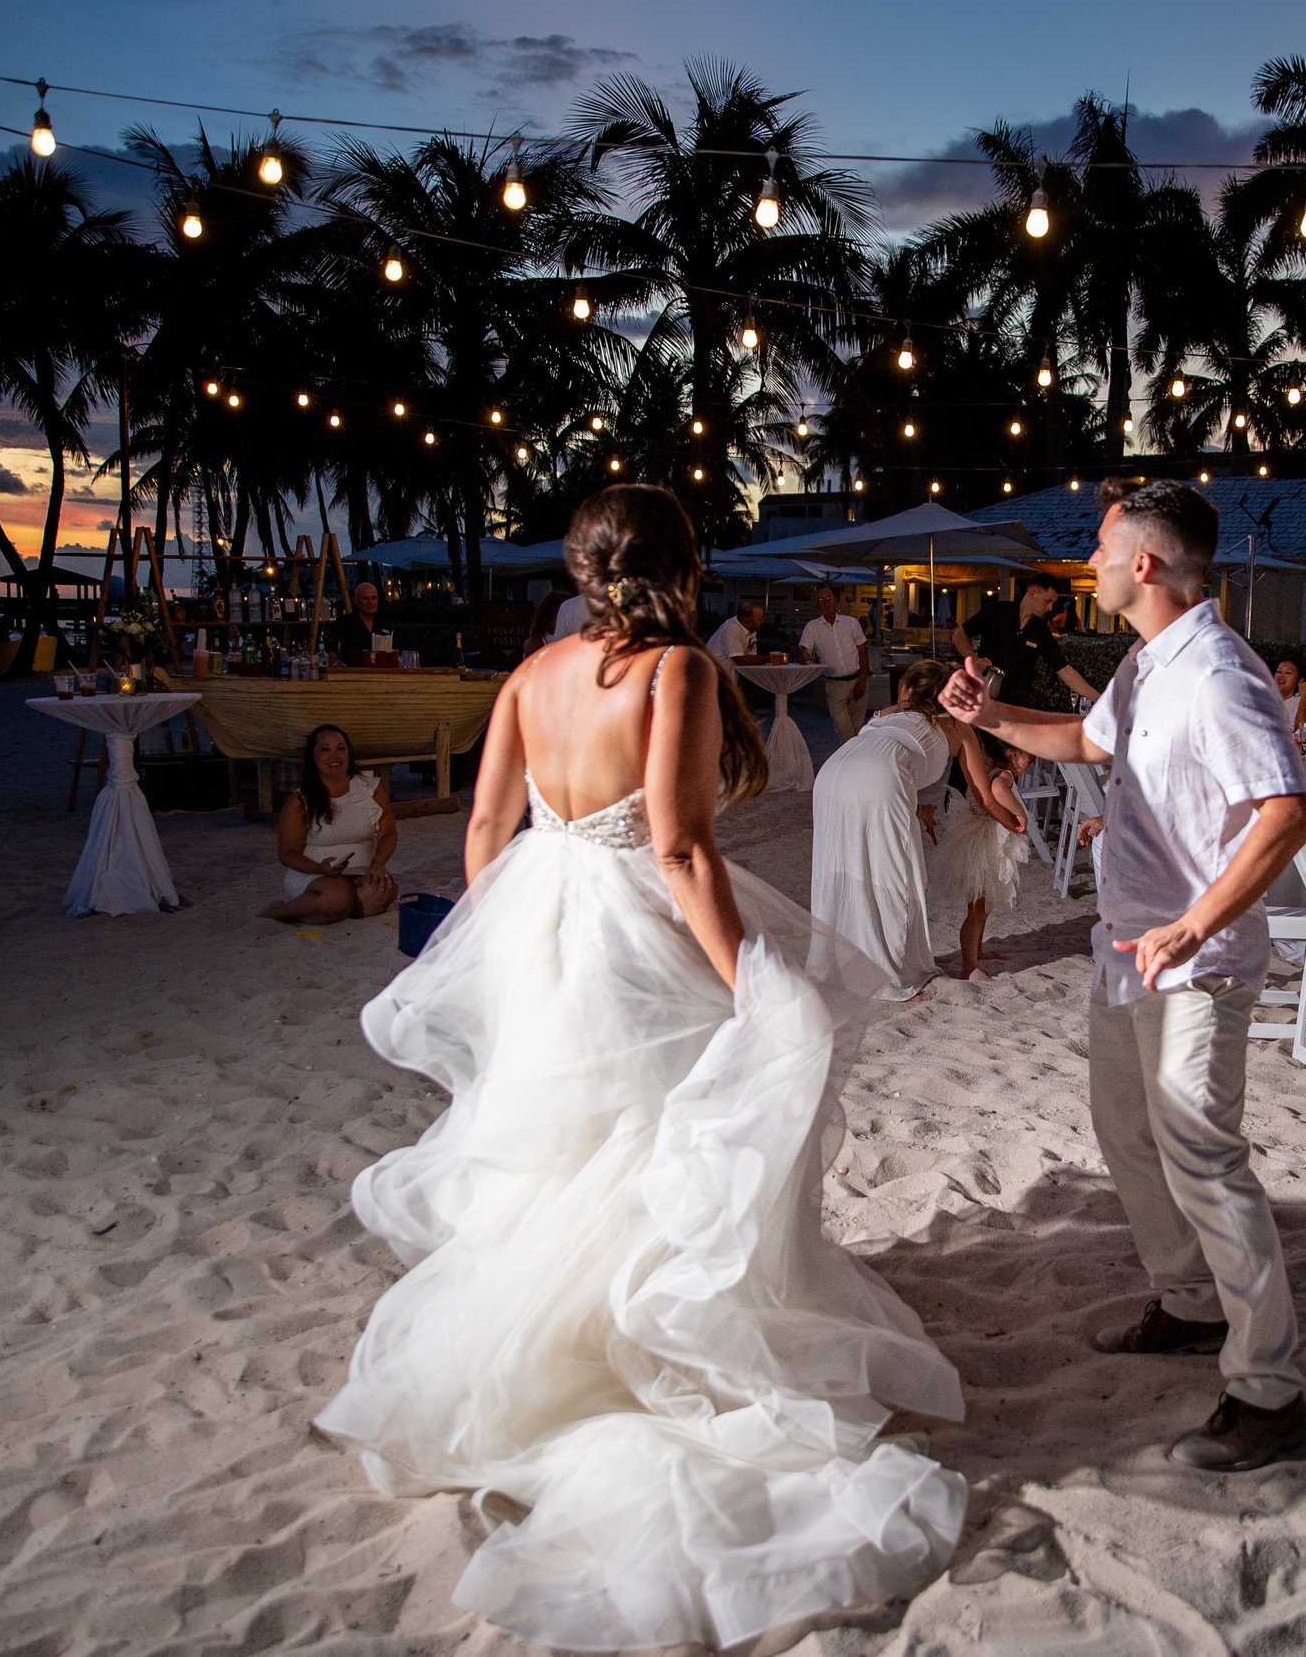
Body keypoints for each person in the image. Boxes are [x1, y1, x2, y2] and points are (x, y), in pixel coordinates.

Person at [321, 485, 964, 1651]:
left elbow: (480, 834)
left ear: (581, 565)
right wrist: (753, 983)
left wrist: (498, 943)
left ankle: (560, 1354)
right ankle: (653, 1347)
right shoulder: (674, 674)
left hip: (544, 927)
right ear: (682, 563)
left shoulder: (528, 677)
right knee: (661, 1131)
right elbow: (677, 844)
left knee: (570, 1142)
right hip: (632, 929)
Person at [941, 477, 1306, 1473]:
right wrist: (993, 714)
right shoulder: (1150, 663)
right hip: (1125, 947)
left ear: (1144, 563)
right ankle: (1190, 1304)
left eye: (1103, 548)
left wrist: (1194, 923)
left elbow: (1286, 813)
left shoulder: (1221, 675)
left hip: (1194, 960)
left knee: (1203, 1154)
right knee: (1125, 1131)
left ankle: (1270, 1391)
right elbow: (1085, 739)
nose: (1089, 563)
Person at [811, 660, 1012, 999]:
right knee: (896, 878)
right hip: (880, 779)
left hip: (832, 773)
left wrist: (918, 808)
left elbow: (877, 759)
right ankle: (890, 977)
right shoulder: (958, 728)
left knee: (843, 870)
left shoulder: (885, 713)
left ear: (908, 690)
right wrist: (1016, 825)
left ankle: (840, 966)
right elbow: (985, 796)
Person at [259, 724, 399, 922]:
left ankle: (330, 909)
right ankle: (280, 911)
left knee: (385, 891)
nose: (335, 755)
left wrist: (377, 864)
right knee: (337, 895)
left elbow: (388, 834)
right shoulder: (300, 800)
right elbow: (287, 854)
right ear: (313, 757)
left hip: (359, 871)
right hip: (312, 875)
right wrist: (320, 869)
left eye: (340, 748)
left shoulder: (371, 789)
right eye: (325, 749)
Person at [932, 731, 1034, 981]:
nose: (1032, 761)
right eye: (1028, 756)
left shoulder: (990, 769)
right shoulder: (1004, 777)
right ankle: (969, 966)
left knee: (983, 907)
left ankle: (976, 951)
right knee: (977, 910)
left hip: (980, 839)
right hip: (986, 846)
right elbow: (998, 791)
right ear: (1013, 754)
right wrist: (1019, 814)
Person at [951, 573, 1101, 710]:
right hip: (982, 697)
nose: (1050, 608)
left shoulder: (1041, 631)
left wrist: (1099, 699)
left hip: (1016, 706)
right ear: (1033, 593)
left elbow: (1065, 670)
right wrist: (973, 659)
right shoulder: (997, 611)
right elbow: (959, 635)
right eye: (1048, 601)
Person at [800, 585, 870, 743]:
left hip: (857, 679)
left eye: (829, 599)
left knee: (858, 727)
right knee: (842, 728)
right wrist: (804, 656)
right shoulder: (812, 628)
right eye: (821, 600)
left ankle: (857, 763)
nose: (825, 603)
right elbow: (804, 652)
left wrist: (863, 680)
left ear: (835, 601)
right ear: (817, 605)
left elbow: (862, 652)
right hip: (834, 685)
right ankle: (848, 760)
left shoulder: (850, 623)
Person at [334, 581, 390, 664]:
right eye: (365, 598)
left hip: (382, 673)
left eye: (374, 598)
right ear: (355, 600)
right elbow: (332, 654)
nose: (371, 602)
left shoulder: (384, 623)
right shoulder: (343, 623)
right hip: (351, 674)